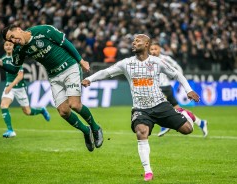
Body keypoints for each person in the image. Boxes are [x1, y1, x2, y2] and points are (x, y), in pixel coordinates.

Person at [81, 34, 200, 181]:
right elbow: (106, 72)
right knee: (141, 132)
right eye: (134, 41)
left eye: (138, 41)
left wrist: (188, 90)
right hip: (141, 109)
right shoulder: (126, 63)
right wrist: (89, 79)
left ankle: (186, 115)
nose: (134, 43)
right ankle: (148, 171)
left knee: (188, 130)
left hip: (161, 105)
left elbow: (177, 75)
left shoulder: (157, 62)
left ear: (147, 44)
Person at [0, 24, 103, 151]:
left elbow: (65, 43)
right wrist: (0, 63)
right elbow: (14, 69)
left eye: (12, 37)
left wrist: (81, 61)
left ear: (19, 29)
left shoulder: (43, 30)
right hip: (54, 76)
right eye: (10, 40)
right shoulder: (20, 49)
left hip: (70, 68)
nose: (13, 41)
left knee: (74, 104)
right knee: (63, 112)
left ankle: (95, 127)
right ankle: (86, 131)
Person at [149, 42, 208, 137]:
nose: (153, 51)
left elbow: (178, 68)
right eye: (151, 49)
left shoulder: (165, 58)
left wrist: (180, 81)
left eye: (155, 49)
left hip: (164, 87)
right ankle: (200, 122)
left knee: (160, 108)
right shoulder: (149, 60)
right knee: (177, 109)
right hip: (157, 88)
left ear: (160, 49)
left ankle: (165, 126)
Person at [0, 41, 51, 138]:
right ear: (4, 47)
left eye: (10, 45)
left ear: (13, 46)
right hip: (9, 87)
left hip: (19, 88)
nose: (8, 46)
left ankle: (42, 111)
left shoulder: (17, 57)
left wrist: (11, 86)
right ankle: (10, 130)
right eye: (6, 45)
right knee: (3, 105)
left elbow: (20, 75)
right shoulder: (3, 59)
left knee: (27, 112)